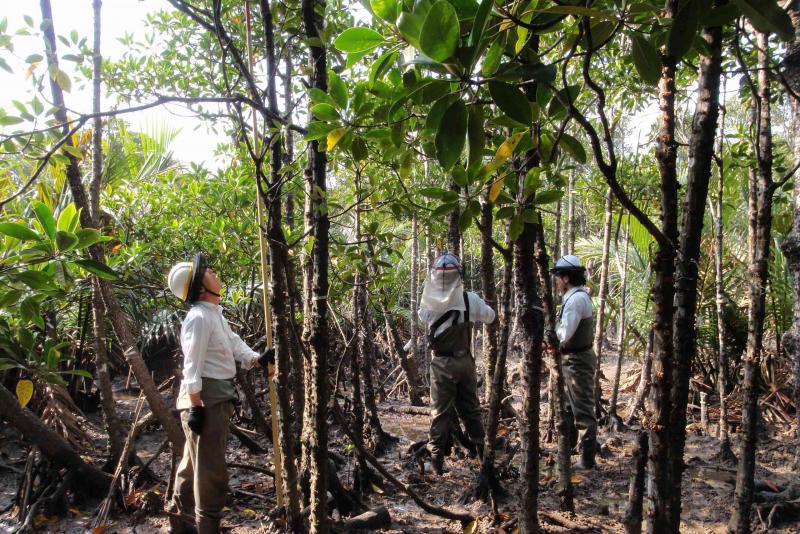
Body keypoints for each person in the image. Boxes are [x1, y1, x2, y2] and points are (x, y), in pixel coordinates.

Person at [166, 253, 273, 534]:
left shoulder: (214, 314)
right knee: (211, 470)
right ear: (201, 287)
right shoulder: (199, 318)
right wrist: (196, 406)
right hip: (206, 399)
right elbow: (192, 365)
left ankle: (181, 522)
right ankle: (206, 526)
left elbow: (234, 345)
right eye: (208, 271)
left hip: (211, 396)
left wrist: (257, 359)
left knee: (193, 464)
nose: (214, 272)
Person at [418, 253, 496, 475]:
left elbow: (422, 316)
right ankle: (484, 460)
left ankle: (436, 464)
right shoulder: (470, 299)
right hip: (465, 363)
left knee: (440, 413)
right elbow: (490, 317)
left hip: (442, 364)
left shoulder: (430, 304)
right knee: (471, 411)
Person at [550, 254, 597, 469]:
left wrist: (548, 336)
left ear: (566, 278)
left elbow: (564, 334)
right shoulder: (574, 297)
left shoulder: (576, 300)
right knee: (569, 407)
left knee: (582, 409)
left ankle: (587, 460)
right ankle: (567, 451)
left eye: (558, 278)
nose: (557, 282)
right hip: (572, 359)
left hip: (577, 360)